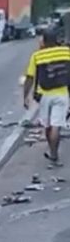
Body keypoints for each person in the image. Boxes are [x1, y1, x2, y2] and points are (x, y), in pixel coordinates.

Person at [23, 29, 70, 166]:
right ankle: (54, 155)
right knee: (57, 126)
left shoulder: (37, 56)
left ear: (44, 41)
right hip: (62, 93)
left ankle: (52, 152)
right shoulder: (66, 52)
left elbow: (30, 78)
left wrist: (25, 96)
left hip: (44, 95)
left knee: (48, 125)